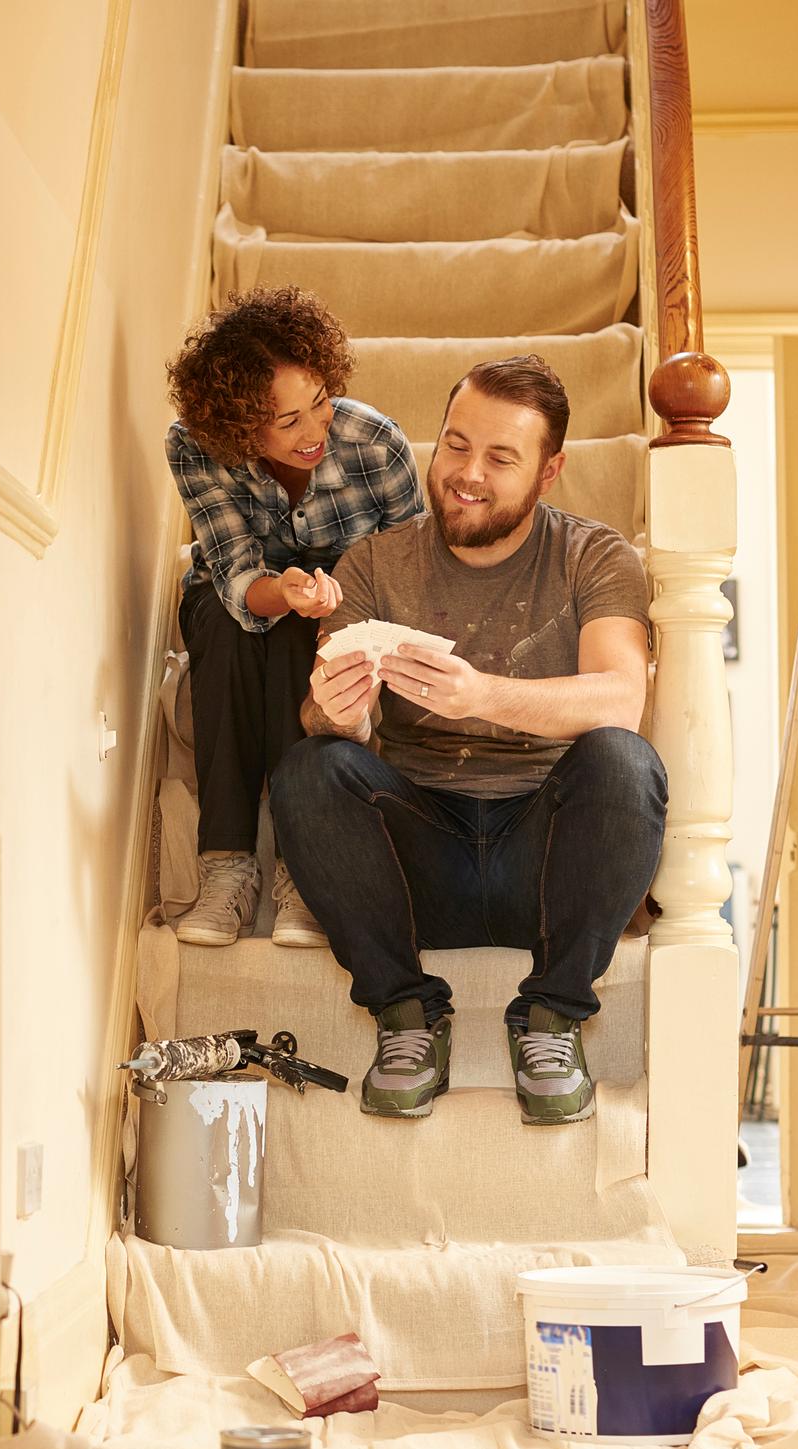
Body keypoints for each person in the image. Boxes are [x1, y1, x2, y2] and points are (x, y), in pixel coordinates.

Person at [269, 356, 665, 1126]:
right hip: (421, 863)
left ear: (549, 473)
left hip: (549, 864)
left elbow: (622, 696)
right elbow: (328, 727)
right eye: (454, 445)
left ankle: (551, 1018)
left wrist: (481, 694)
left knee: (624, 760)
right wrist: (339, 713)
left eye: (500, 457)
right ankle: (407, 1017)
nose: (466, 474)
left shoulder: (595, 556)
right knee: (309, 768)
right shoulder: (377, 562)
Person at [163, 287, 426, 948]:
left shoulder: (375, 446)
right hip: (239, 599)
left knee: (303, 643)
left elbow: (407, 578)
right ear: (238, 425)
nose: (315, 432)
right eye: (288, 422)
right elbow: (233, 572)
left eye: (321, 404)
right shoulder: (196, 448)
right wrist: (288, 592)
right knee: (227, 629)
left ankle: (302, 871)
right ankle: (225, 867)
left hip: (344, 610)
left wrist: (333, 612)